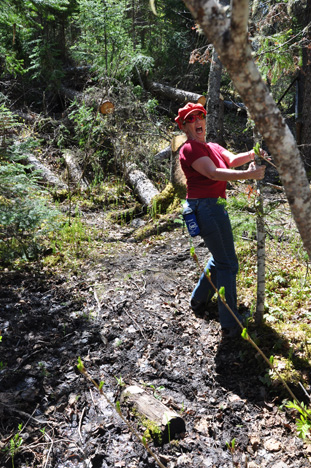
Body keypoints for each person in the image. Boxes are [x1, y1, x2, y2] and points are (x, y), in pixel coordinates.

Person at [175, 102, 266, 338]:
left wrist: (252, 155)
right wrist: (249, 175)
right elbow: (213, 173)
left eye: (200, 117)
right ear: (184, 127)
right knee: (228, 264)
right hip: (206, 207)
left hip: (214, 206)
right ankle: (230, 324)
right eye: (191, 119)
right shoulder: (189, 149)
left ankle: (198, 300)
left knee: (220, 260)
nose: (198, 122)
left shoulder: (212, 146)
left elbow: (231, 160)